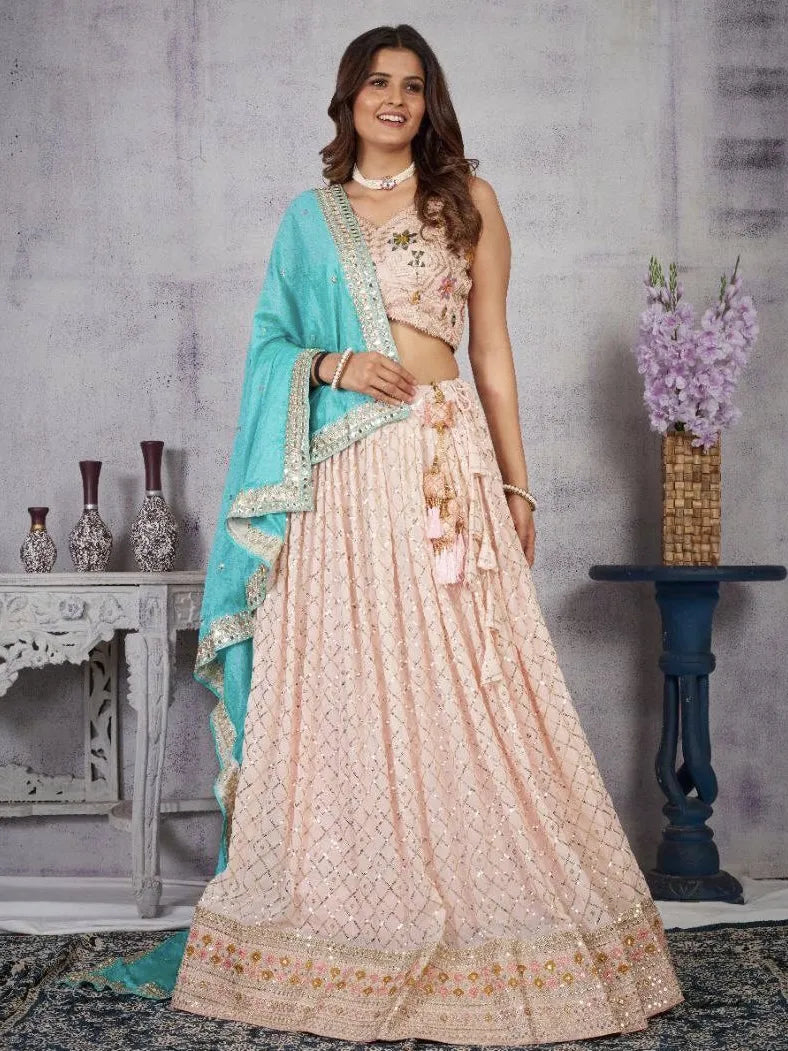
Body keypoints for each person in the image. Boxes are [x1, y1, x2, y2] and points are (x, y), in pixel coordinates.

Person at [66, 23, 685, 1045]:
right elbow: (269, 343)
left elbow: (491, 354)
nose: (392, 100)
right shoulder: (310, 220)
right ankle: (347, 893)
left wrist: (519, 490)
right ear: (347, 98)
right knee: (349, 682)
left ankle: (493, 886)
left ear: (427, 101)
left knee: (472, 683)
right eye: (375, 83)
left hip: (445, 467)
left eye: (410, 85)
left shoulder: (468, 203)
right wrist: (330, 365)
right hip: (342, 475)